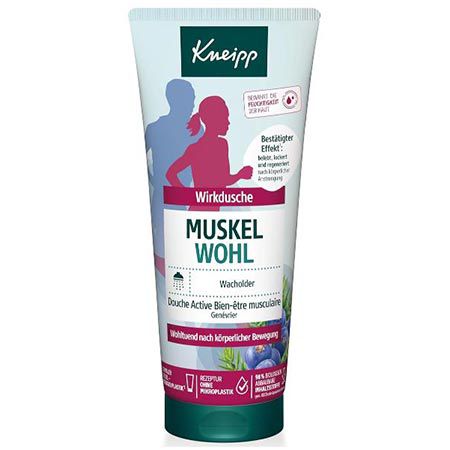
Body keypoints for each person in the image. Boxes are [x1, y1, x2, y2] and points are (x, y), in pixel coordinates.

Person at [145, 79, 201, 275]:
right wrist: (154, 180)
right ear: (175, 100)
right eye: (190, 99)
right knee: (167, 253)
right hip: (164, 199)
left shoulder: (195, 130)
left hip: (186, 199)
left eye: (193, 99)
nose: (193, 104)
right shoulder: (155, 128)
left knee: (184, 253)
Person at [166, 96, 253, 211]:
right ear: (214, 120)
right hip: (199, 211)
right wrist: (240, 175)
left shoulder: (215, 145)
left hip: (206, 211)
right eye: (225, 117)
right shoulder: (206, 148)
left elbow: (222, 180)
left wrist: (190, 197)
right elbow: (170, 173)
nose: (228, 122)